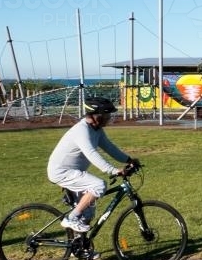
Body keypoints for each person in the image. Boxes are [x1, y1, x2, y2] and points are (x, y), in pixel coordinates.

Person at [47, 97, 139, 239]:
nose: (109, 118)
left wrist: (129, 160)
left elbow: (109, 147)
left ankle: (79, 247)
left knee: (88, 213)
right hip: (62, 172)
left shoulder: (96, 129)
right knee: (99, 185)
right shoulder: (81, 130)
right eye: (106, 115)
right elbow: (91, 154)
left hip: (74, 172)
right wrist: (114, 170)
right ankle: (70, 218)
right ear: (95, 116)